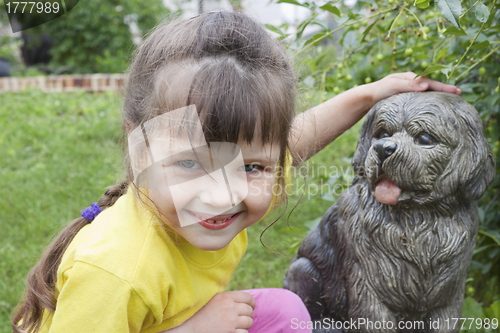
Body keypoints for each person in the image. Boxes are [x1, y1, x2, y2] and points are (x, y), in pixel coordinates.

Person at [12, 11, 461, 333]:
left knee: (285, 310)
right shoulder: (116, 271)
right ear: (140, 145)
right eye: (189, 162)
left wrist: (369, 95)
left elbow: (296, 140)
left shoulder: (209, 192)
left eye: (250, 166)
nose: (221, 193)